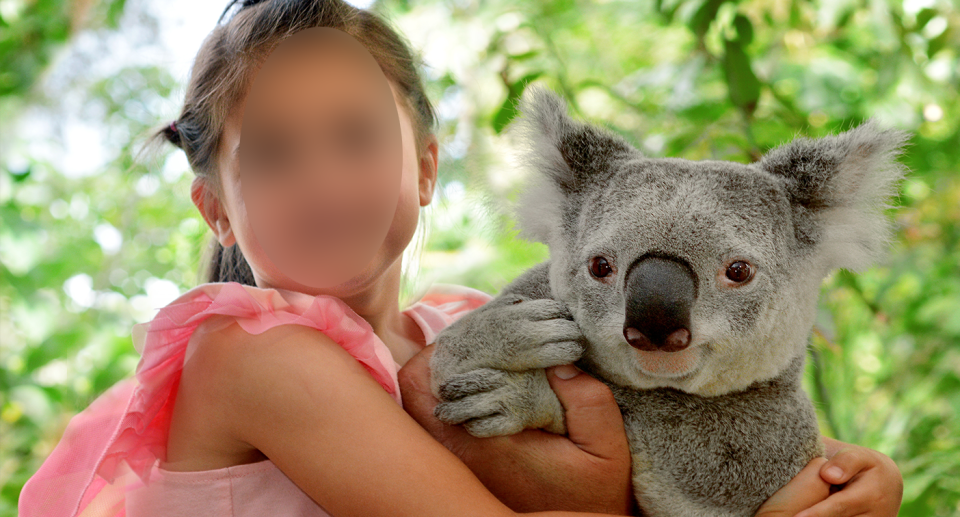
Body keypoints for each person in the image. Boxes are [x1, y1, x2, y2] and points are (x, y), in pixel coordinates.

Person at [17, 0, 903, 515]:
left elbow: (691, 431)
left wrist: (851, 474)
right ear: (214, 206)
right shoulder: (253, 354)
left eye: (357, 138)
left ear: (428, 166)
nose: (325, 185)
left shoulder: (465, 322)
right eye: (274, 157)